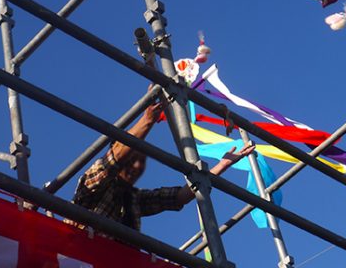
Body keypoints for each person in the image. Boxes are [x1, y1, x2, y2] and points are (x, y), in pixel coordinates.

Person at [70, 93, 254, 231]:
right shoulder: (93, 180)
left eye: (141, 161)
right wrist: (147, 120)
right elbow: (113, 159)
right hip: (75, 259)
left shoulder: (133, 199)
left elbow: (179, 197)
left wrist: (222, 165)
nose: (137, 166)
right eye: (133, 160)